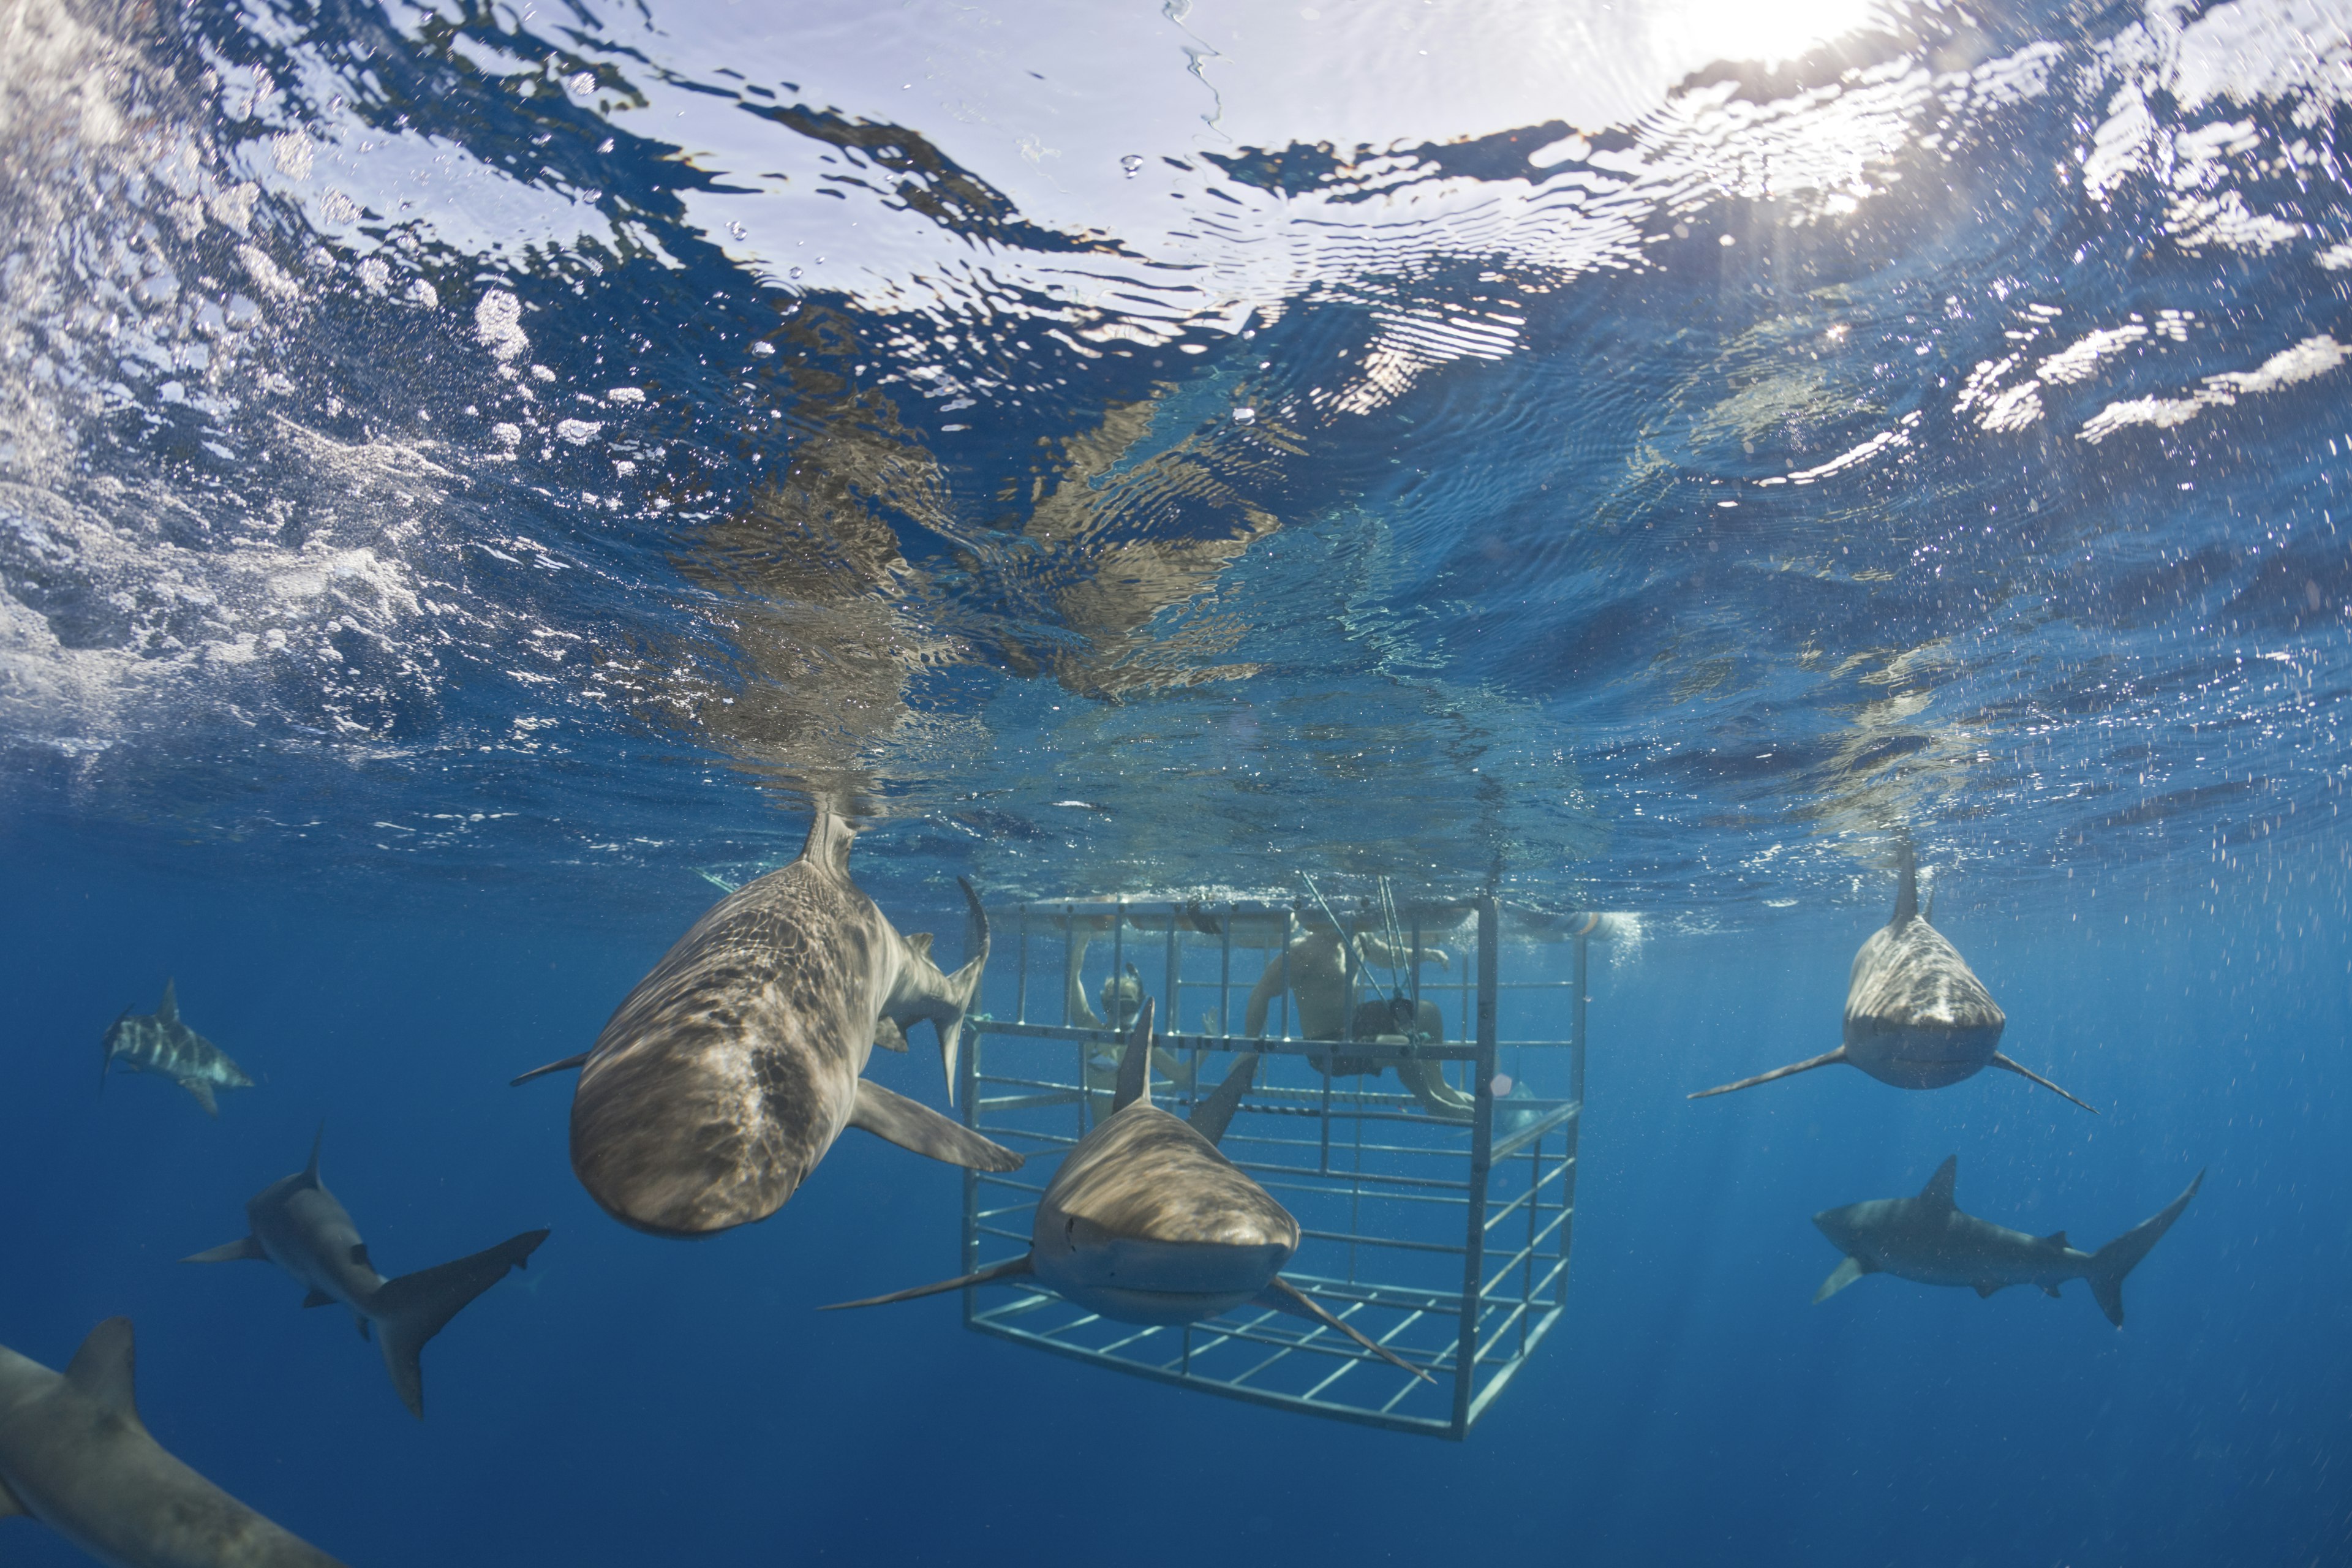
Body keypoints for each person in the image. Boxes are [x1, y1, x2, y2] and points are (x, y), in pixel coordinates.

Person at [1242, 913, 1475, 1120]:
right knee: (1402, 1048)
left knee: (1428, 1012)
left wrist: (1424, 953)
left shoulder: (1358, 935)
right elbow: (1260, 993)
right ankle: (1431, 1101)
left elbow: (1384, 955)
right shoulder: (1303, 952)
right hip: (1326, 1045)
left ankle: (1440, 1085)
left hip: (1355, 1021)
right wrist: (1248, 1049)